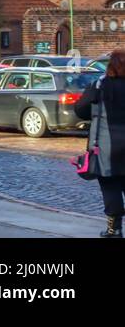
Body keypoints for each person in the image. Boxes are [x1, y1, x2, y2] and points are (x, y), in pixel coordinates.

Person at [75, 48, 125, 238]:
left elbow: (80, 109)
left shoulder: (100, 85)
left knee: (110, 185)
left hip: (107, 145)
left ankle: (115, 229)